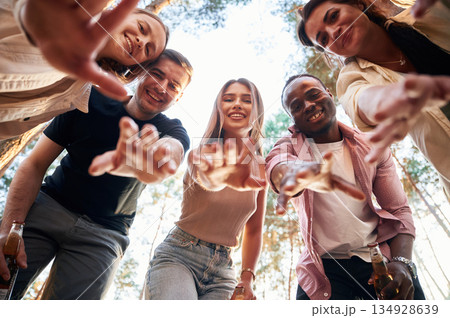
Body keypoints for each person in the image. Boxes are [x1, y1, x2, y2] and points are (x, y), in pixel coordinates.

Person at [0, 49, 193, 299]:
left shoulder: (173, 130)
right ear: (140, 72)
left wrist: (161, 152)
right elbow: (35, 164)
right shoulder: (90, 99)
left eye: (173, 86)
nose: (161, 87)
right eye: (156, 74)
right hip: (48, 207)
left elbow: (174, 149)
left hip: (105, 234)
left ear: (178, 97)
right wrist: (9, 229)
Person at [266, 74, 425, 300]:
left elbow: (399, 210)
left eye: (314, 95)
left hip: (378, 258)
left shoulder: (372, 146)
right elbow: (276, 165)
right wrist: (289, 175)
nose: (309, 105)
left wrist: (402, 263)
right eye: (297, 106)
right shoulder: (288, 146)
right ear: (293, 120)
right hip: (324, 269)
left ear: (329, 95)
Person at [296, 0, 450, 201]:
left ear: (358, 4)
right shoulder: (351, 81)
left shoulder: (421, 19)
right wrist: (388, 98)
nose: (334, 32)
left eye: (333, 16)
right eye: (324, 39)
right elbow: (362, 101)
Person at [145, 78, 267, 300]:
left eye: (246, 100)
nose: (237, 104)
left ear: (257, 110)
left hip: (224, 271)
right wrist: (228, 176)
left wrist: (247, 278)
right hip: (179, 256)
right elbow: (207, 178)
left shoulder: (260, 167)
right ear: (219, 109)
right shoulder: (201, 154)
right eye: (229, 99)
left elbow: (254, 229)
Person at [0, 0, 169, 139]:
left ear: (134, 66)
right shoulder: (61, 8)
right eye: (141, 28)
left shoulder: (75, 98)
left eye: (148, 49)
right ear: (117, 11)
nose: (141, 42)